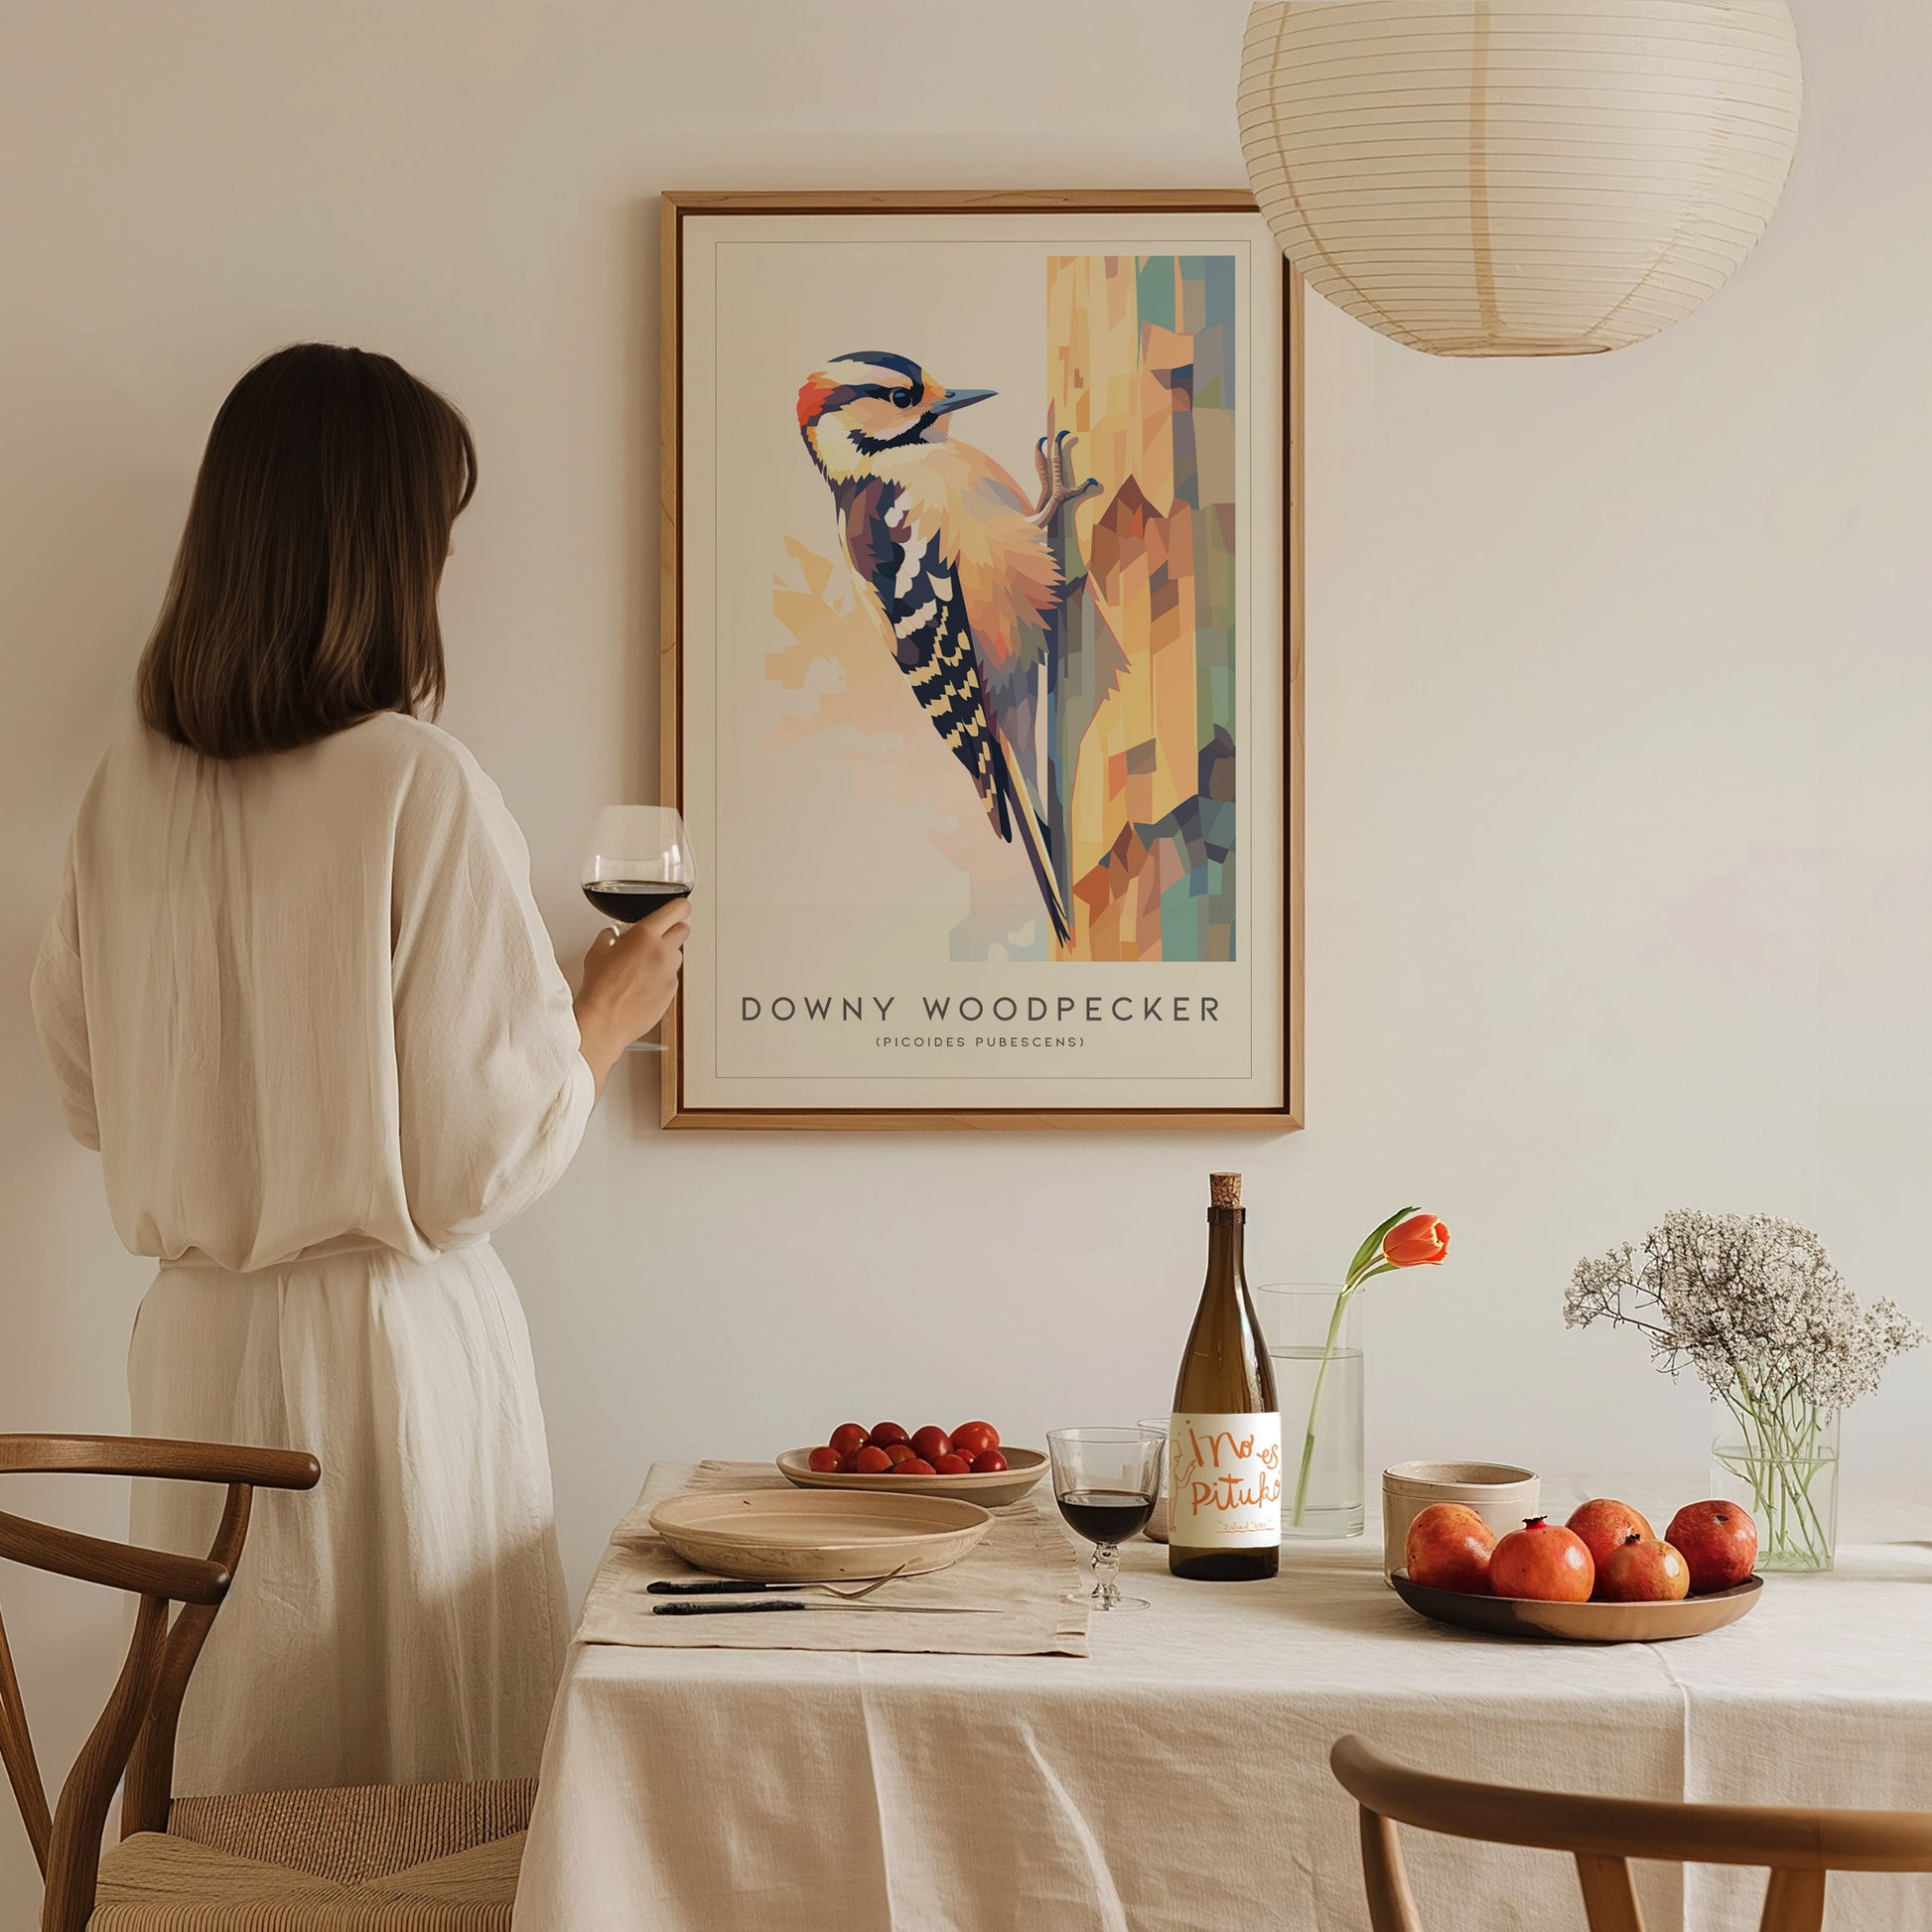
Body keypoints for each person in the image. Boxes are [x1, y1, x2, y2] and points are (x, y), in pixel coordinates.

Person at [29, 343, 684, 1793]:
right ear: (384, 553)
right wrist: (602, 1011)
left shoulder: (121, 793)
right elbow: (471, 1164)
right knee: (419, 1800)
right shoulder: (414, 780)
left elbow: (87, 1093)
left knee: (238, 1780)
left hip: (197, 1353)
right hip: (387, 1364)